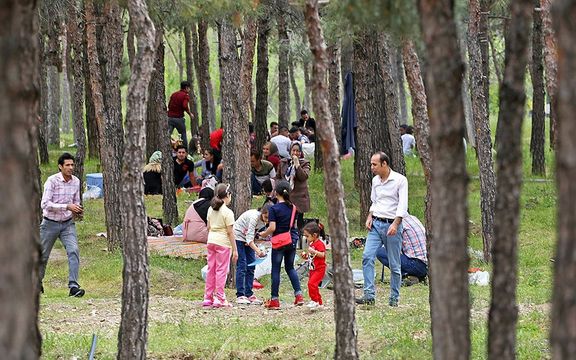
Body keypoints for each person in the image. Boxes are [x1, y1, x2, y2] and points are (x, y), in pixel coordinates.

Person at [356, 151, 408, 307]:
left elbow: (402, 205)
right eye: (371, 164)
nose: (372, 167)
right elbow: (375, 201)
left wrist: (396, 223)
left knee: (394, 264)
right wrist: (369, 216)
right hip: (376, 223)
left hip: (392, 224)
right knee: (367, 256)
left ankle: (394, 298)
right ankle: (369, 295)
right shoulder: (375, 181)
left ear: (384, 164)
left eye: (374, 164)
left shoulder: (400, 180)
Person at [39, 153, 85, 297]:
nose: (71, 168)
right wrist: (67, 207)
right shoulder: (52, 181)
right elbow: (45, 204)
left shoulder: (76, 181)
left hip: (67, 224)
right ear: (60, 166)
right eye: (67, 165)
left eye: (72, 165)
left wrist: (77, 210)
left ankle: (73, 287)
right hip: (49, 223)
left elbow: (76, 201)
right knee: (43, 255)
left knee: (73, 251)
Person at [258, 180, 304, 310]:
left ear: (276, 193)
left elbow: (272, 227)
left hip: (279, 242)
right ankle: (299, 295)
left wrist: (263, 234)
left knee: (276, 269)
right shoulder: (294, 208)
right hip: (292, 240)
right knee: (290, 268)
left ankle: (275, 300)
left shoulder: (273, 208)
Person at [203, 184, 238, 308]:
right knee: (221, 270)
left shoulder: (211, 209)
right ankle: (220, 297)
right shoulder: (227, 212)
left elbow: (208, 227)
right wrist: (235, 249)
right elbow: (230, 232)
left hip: (211, 240)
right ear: (227, 195)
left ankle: (208, 297)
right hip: (223, 243)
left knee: (211, 269)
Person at [376, 214, 428, 285]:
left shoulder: (398, 223)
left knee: (380, 252)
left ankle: (406, 275)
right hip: (427, 265)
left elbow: (392, 246)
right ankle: (415, 277)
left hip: (416, 264)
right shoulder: (412, 218)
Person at [234, 205, 270, 305]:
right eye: (266, 217)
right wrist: (258, 251)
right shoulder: (254, 217)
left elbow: (253, 235)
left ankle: (249, 293)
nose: (267, 221)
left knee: (251, 265)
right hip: (238, 236)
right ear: (262, 213)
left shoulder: (265, 221)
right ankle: (240, 294)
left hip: (248, 237)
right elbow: (249, 239)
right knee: (242, 265)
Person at [276, 141, 311, 244]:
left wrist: (297, 165)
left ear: (300, 153)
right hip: (285, 194)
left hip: (299, 196)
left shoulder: (305, 163)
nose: (295, 153)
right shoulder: (283, 162)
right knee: (285, 218)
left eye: (297, 151)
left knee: (298, 219)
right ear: (290, 151)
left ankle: (299, 240)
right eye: (293, 150)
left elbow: (303, 177)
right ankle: (285, 238)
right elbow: (278, 176)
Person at [301, 222, 327, 310]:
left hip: (319, 269)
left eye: (307, 236)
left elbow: (322, 255)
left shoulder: (320, 244)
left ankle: (314, 300)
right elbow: (312, 257)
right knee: (314, 285)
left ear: (314, 235)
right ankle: (319, 303)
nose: (306, 238)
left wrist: (314, 251)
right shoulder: (312, 244)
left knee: (311, 284)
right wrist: (306, 256)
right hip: (312, 268)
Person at [167, 81, 193, 150]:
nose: (189, 90)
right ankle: (185, 151)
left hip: (169, 118)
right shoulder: (185, 96)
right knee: (183, 135)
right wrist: (190, 113)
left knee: (167, 135)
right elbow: (184, 106)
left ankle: (166, 150)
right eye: (189, 88)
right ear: (186, 88)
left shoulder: (174, 94)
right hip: (179, 119)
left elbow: (169, 105)